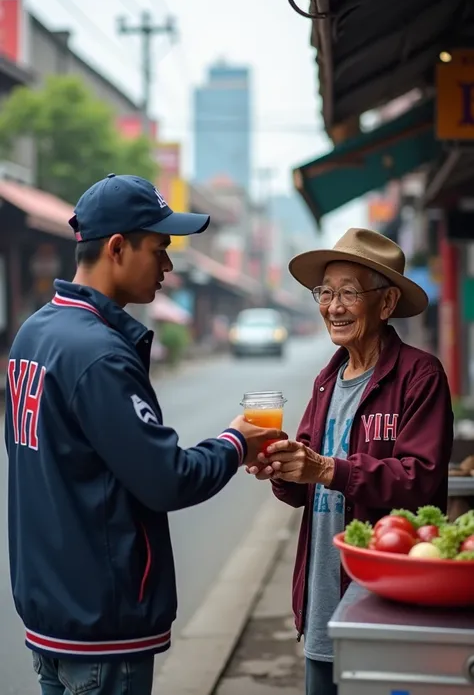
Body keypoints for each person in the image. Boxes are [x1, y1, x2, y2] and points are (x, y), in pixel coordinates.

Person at [5, 174, 285, 695]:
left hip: (51, 615)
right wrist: (234, 441)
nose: (168, 266)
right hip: (102, 625)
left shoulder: (35, 332)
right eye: (158, 249)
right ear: (116, 248)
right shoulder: (99, 353)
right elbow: (167, 479)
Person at [248, 228, 453, 695]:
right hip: (322, 603)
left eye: (348, 293)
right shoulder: (326, 380)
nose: (333, 307)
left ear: (385, 304)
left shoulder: (419, 376)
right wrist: (279, 467)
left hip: (385, 604)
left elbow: (420, 480)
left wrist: (327, 469)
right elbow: (303, 486)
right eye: (325, 292)